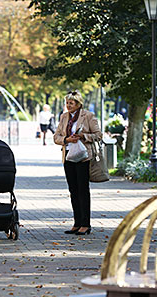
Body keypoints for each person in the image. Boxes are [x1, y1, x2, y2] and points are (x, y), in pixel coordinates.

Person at [53, 90, 102, 236]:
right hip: (68, 156)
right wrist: (67, 139)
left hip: (83, 157)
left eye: (71, 103)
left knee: (82, 190)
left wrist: (82, 136)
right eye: (67, 103)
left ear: (78, 104)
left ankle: (85, 224)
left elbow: (98, 135)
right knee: (73, 190)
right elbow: (56, 137)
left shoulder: (88, 116)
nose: (68, 105)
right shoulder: (64, 117)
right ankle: (77, 222)